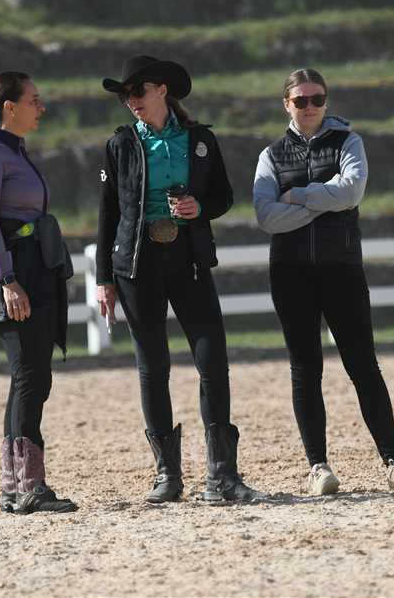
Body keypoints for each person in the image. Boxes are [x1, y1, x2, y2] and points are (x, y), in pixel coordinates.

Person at [95, 55, 263, 504]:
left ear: (161, 90)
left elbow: (223, 196)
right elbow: (108, 212)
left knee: (213, 360)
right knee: (153, 367)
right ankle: (167, 475)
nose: (130, 101)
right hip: (136, 265)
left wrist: (198, 208)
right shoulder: (120, 144)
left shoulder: (201, 140)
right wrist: (103, 279)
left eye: (137, 92)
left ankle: (222, 476)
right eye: (125, 96)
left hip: (189, 260)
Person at [252, 68, 394, 496]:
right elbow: (267, 217)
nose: (309, 106)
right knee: (305, 369)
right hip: (290, 273)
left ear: (326, 101)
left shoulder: (349, 143)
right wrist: (325, 198)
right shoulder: (270, 155)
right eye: (301, 100)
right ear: (287, 105)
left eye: (317, 98)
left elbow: (351, 193)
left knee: (363, 365)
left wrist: (298, 195)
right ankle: (318, 466)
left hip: (342, 268)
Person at [0, 71, 77, 514]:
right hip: (15, 271)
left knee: (29, 375)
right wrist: (8, 281)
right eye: (34, 100)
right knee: (31, 375)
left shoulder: (15, 151)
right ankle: (29, 486)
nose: (41, 107)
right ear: (9, 106)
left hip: (34, 266)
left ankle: (17, 485)